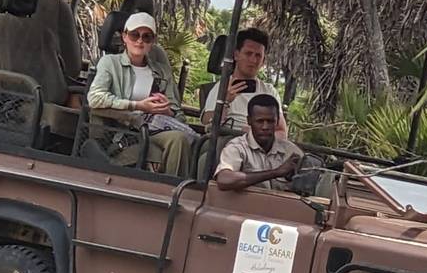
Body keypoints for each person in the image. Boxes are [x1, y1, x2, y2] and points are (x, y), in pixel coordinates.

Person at [86, 12, 191, 175]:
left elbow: (178, 114)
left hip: (156, 127)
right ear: (125, 37)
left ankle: (174, 193)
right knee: (178, 139)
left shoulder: (162, 71)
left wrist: (168, 111)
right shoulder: (110, 63)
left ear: (152, 42)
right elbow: (95, 98)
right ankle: (168, 190)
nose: (140, 41)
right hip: (124, 129)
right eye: (135, 35)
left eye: (146, 37)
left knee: (182, 139)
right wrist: (137, 106)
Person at [202, 28, 286, 134]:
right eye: (248, 53)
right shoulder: (223, 86)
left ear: (263, 61)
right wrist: (225, 102)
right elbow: (208, 122)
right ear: (236, 55)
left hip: (261, 144)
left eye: (258, 55)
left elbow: (282, 132)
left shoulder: (269, 91)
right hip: (229, 139)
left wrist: (256, 134)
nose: (253, 60)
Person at [215, 94, 304, 192]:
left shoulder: (291, 151)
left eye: (270, 121)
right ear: (249, 121)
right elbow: (224, 180)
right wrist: (276, 172)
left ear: (278, 121)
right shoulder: (237, 148)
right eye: (260, 121)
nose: (265, 127)